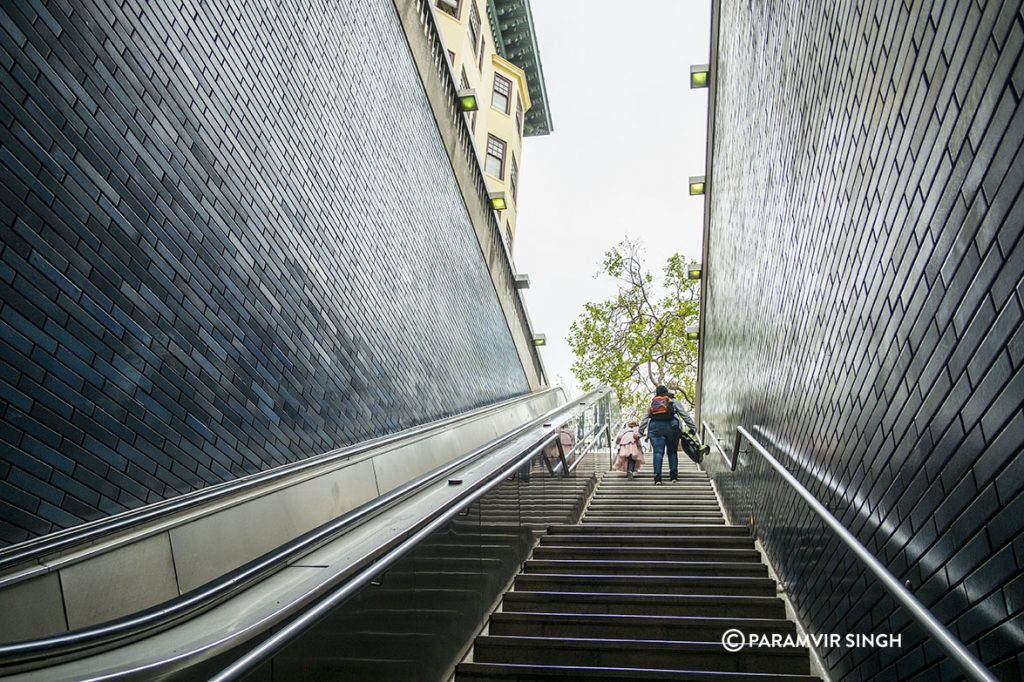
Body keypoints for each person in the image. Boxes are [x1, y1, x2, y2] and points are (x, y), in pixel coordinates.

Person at [639, 385, 682, 484]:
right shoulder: (672, 401)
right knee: (672, 452)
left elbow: (646, 417)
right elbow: (684, 414)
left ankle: (657, 477)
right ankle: (673, 476)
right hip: (672, 428)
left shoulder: (653, 403)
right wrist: (692, 427)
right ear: (666, 392)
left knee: (658, 452)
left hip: (655, 428)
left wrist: (641, 431)